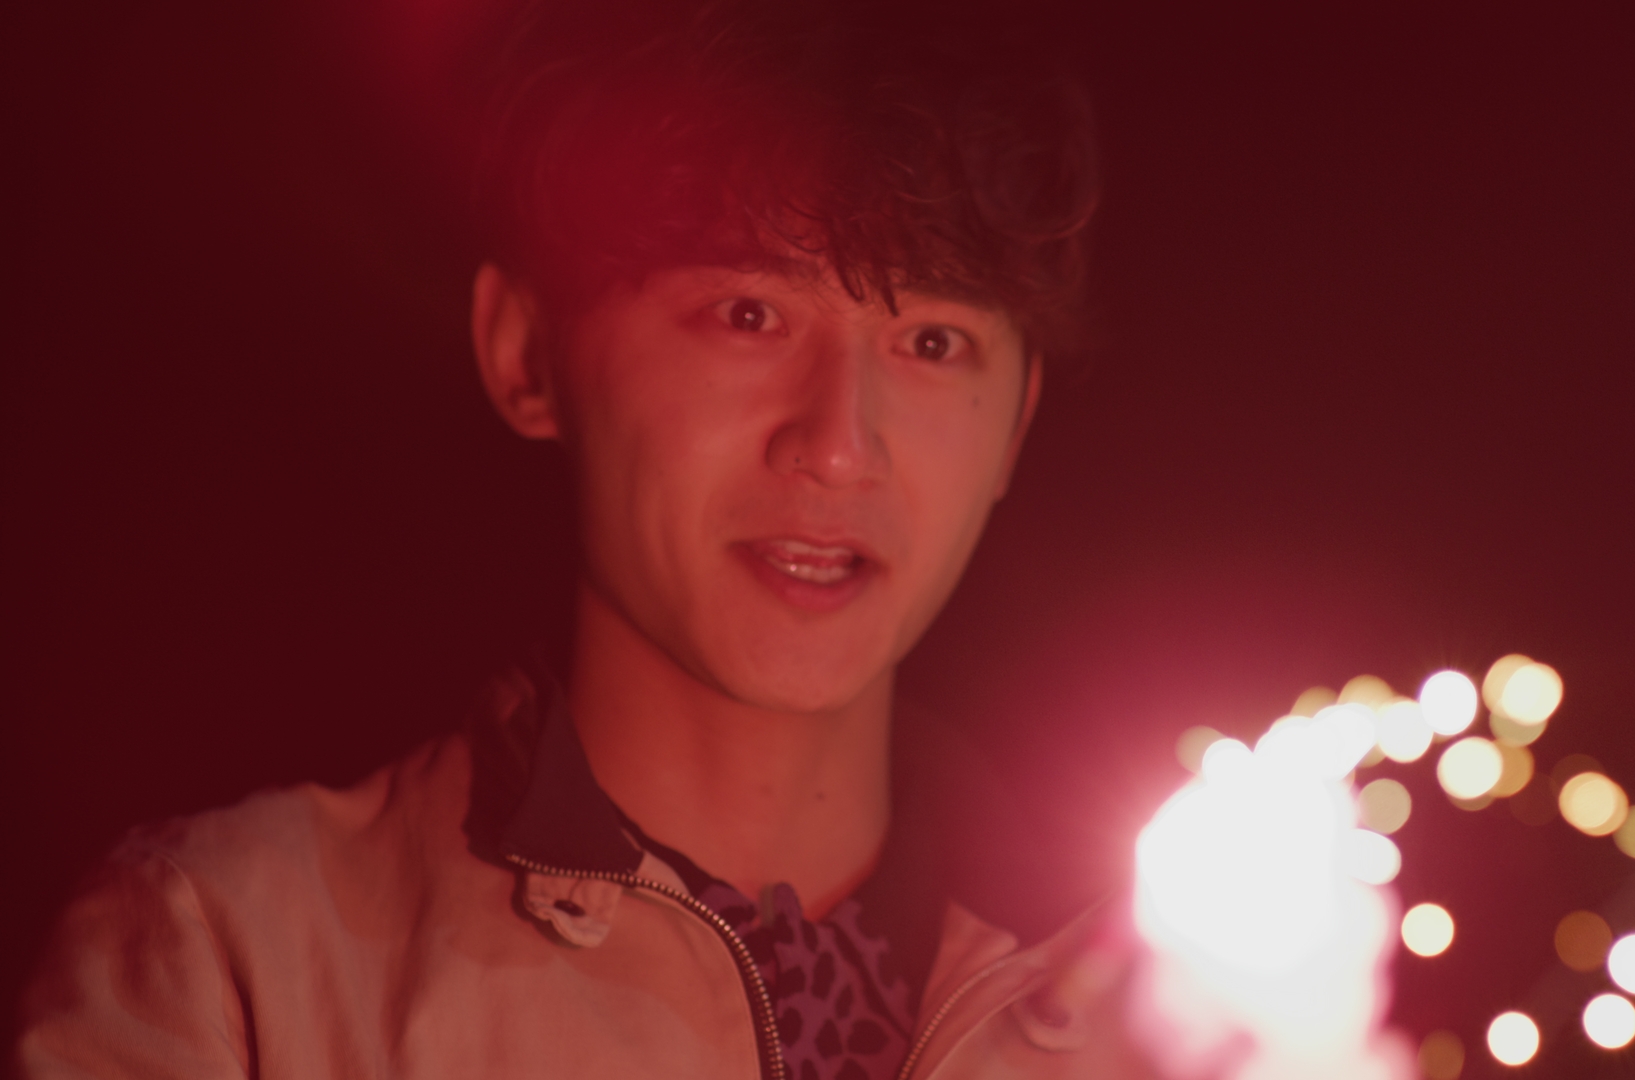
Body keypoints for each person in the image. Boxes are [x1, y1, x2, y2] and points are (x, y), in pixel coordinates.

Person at [14, 1, 1164, 1077]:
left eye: (934, 343)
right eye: (748, 314)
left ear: (1017, 423)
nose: (837, 445)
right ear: (527, 353)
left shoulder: (1184, 1009)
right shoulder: (234, 964)